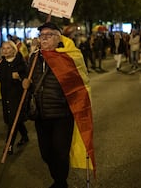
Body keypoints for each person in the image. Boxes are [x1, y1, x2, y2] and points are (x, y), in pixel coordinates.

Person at [22, 22, 96, 188]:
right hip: (41, 115)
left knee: (61, 153)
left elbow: (79, 83)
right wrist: (25, 83)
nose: (45, 38)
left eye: (49, 35)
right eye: (42, 35)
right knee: (46, 154)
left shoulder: (68, 58)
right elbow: (29, 80)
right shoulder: (34, 58)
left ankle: (60, 183)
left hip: (62, 115)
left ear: (58, 38)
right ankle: (59, 180)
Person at [0, 40, 29, 155]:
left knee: (13, 120)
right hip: (6, 95)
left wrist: (20, 77)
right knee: (11, 120)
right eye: (3, 48)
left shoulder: (20, 62)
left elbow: (27, 77)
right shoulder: (1, 63)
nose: (5, 50)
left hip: (17, 96)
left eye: (8, 48)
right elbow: (1, 78)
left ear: (13, 50)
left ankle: (9, 145)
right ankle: (25, 135)